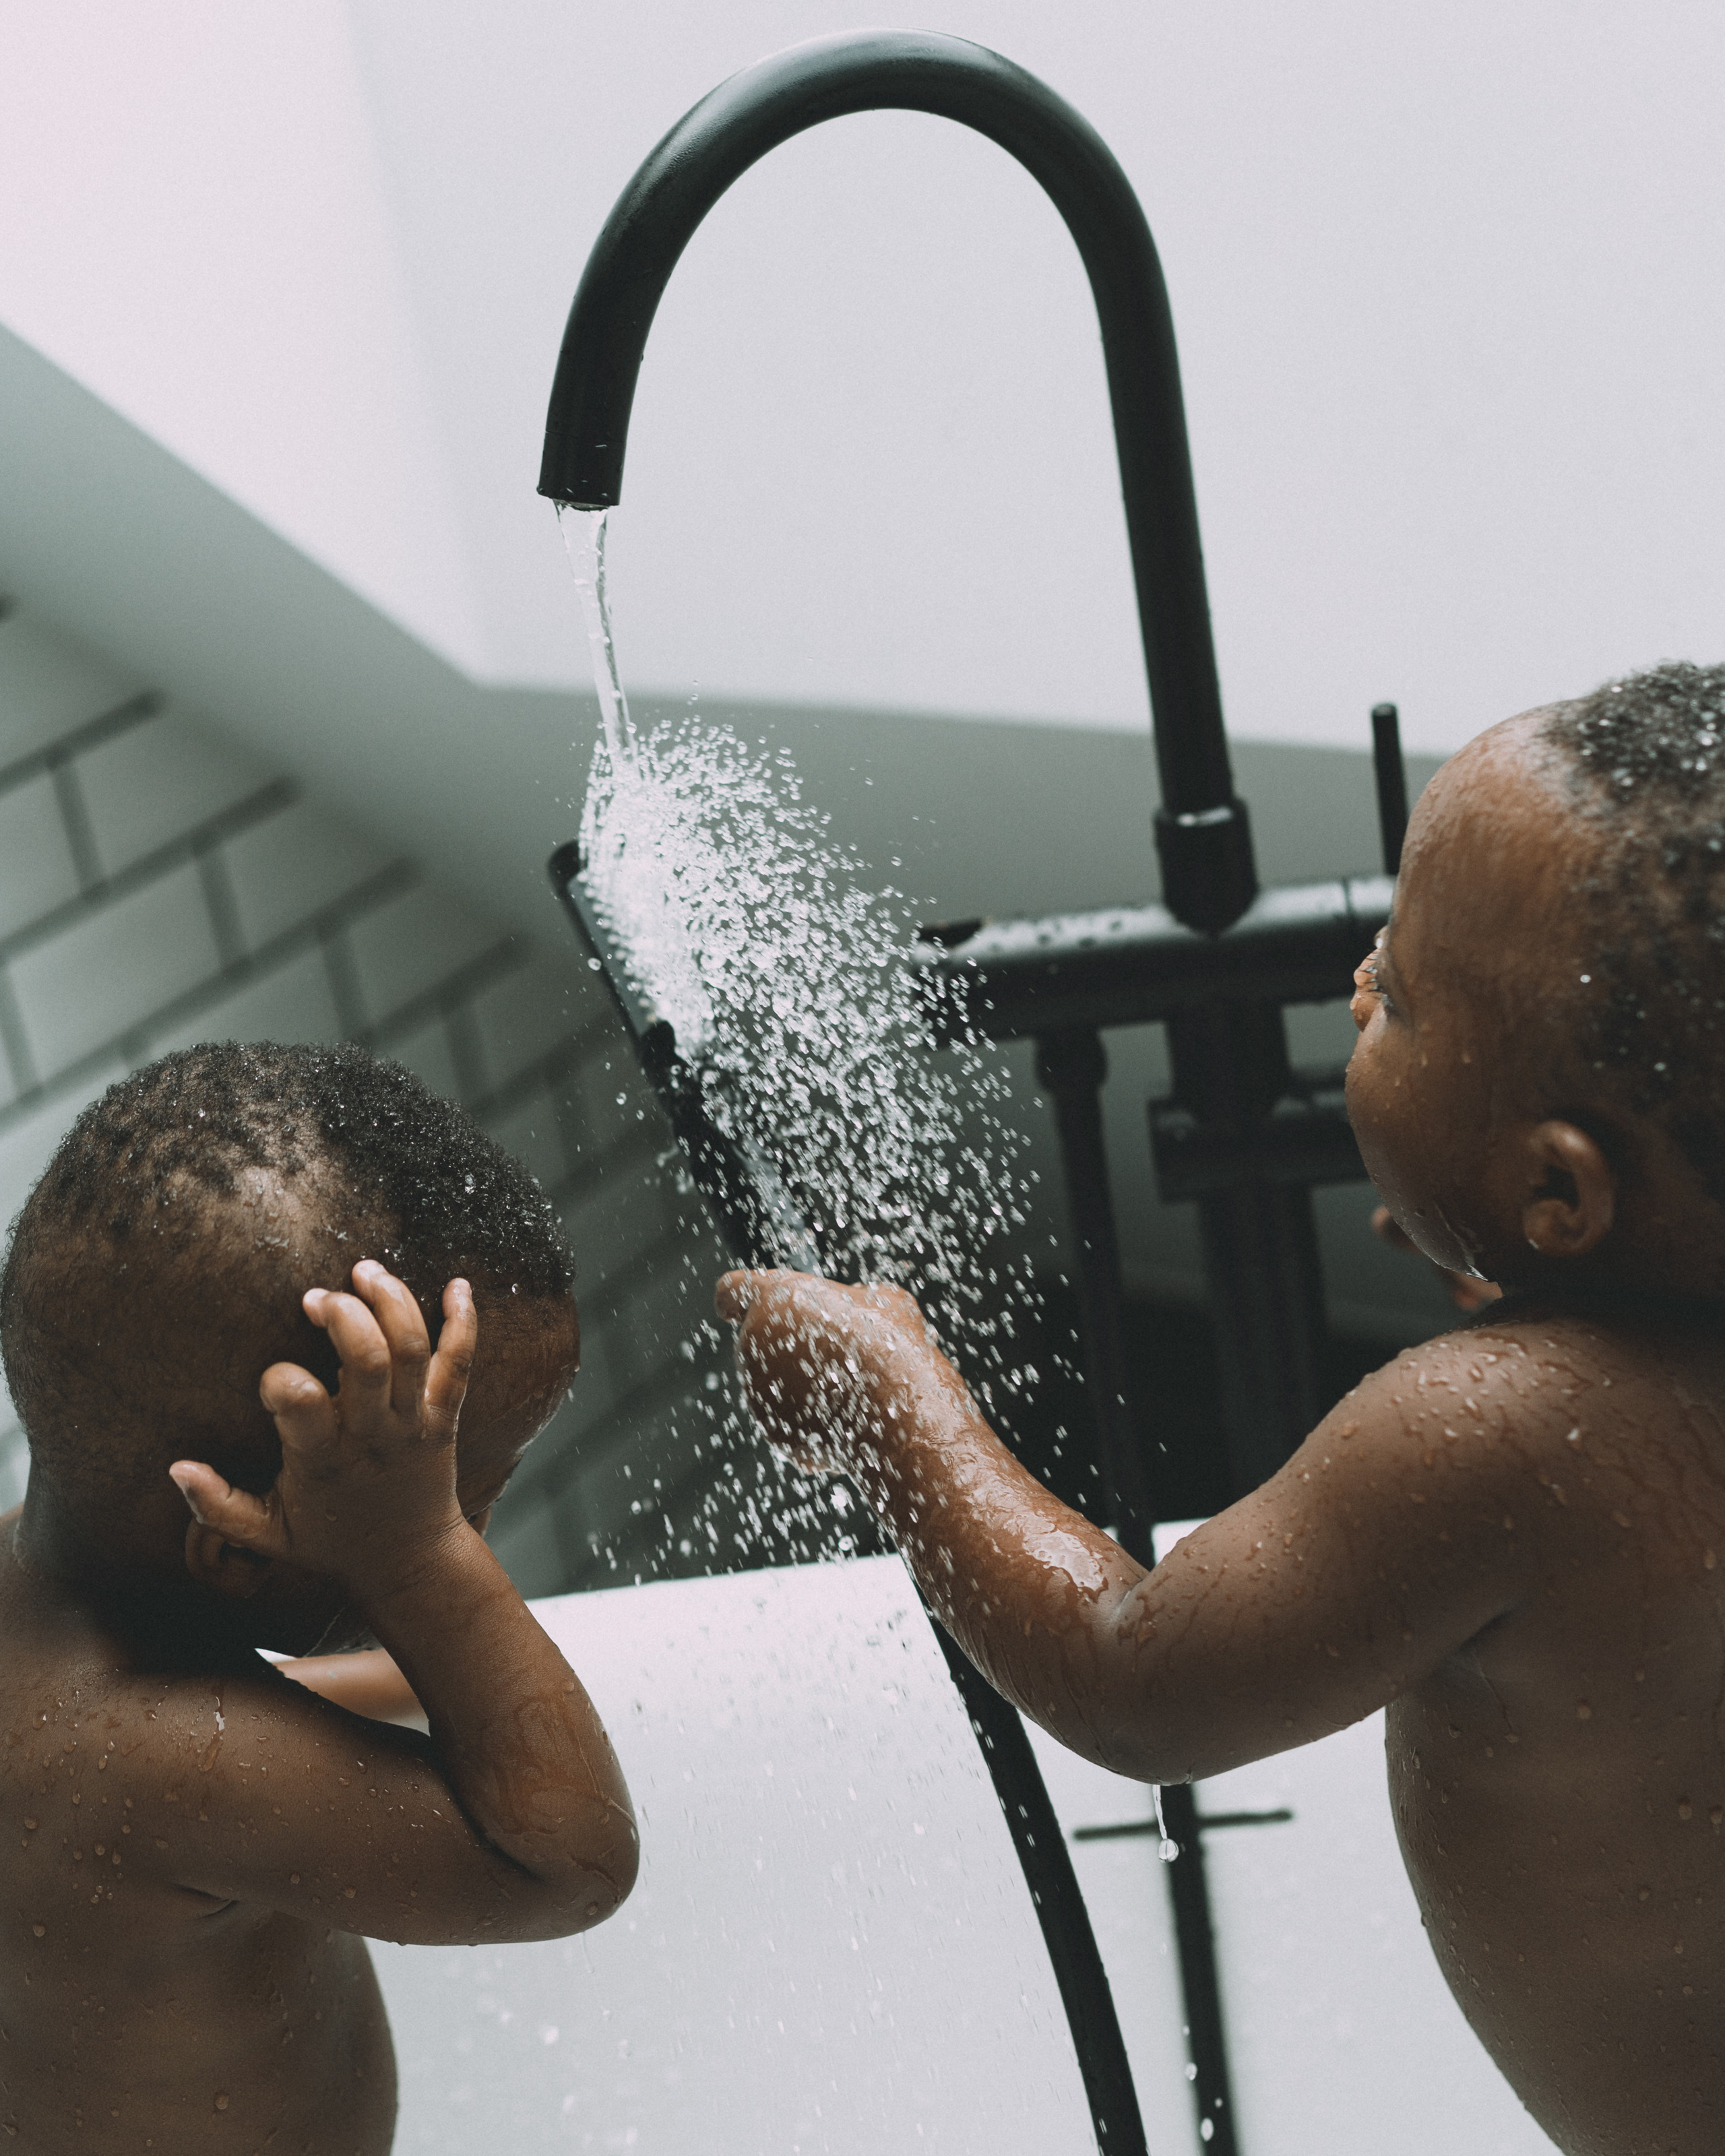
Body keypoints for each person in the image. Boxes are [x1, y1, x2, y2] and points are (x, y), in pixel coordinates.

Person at [719, 662, 1725, 2156]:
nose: (1354, 990)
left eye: (1397, 987)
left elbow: (1138, 1677)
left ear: (1555, 1193)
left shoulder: (1502, 1434)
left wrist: (888, 1397)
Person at [0, 1043, 636, 2155]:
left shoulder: (58, 1637)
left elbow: (312, 1694)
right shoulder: (183, 1763)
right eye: (458, 1515)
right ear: (235, 1552)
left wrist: (408, 1561)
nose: (470, 1555)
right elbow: (570, 1867)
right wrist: (420, 1559)